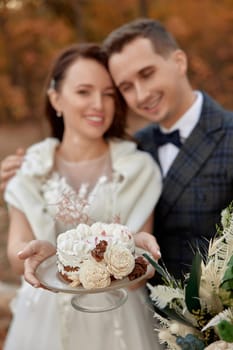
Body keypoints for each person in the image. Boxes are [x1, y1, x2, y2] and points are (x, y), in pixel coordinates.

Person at [3, 18, 233, 280]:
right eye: (125, 87)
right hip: (149, 306)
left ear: (179, 62)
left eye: (147, 74)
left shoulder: (228, 135)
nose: (141, 94)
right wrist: (15, 183)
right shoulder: (138, 146)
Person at [2, 42, 162, 350]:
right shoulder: (29, 168)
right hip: (43, 317)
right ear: (56, 99)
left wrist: (140, 261)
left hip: (121, 320)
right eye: (84, 91)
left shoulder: (138, 169)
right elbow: (16, 251)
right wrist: (36, 255)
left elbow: (141, 261)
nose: (98, 105)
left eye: (108, 93)